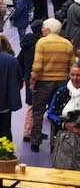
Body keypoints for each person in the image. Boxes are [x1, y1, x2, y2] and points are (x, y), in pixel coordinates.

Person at [30, 18, 75, 152]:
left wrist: (33, 81)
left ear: (48, 30)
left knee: (38, 112)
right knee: (56, 112)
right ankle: (54, 143)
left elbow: (37, 65)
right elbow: (72, 65)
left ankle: (35, 142)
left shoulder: (42, 43)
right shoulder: (67, 44)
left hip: (43, 82)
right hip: (61, 82)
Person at [47, 62, 80, 188]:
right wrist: (65, 124)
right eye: (73, 74)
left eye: (78, 75)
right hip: (66, 140)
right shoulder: (62, 92)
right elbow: (51, 113)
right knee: (67, 174)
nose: (75, 78)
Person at [18, 19, 44, 142]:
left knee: (32, 105)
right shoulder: (39, 45)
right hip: (36, 78)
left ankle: (33, 130)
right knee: (34, 106)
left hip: (28, 76)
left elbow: (19, 60)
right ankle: (28, 132)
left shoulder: (27, 44)